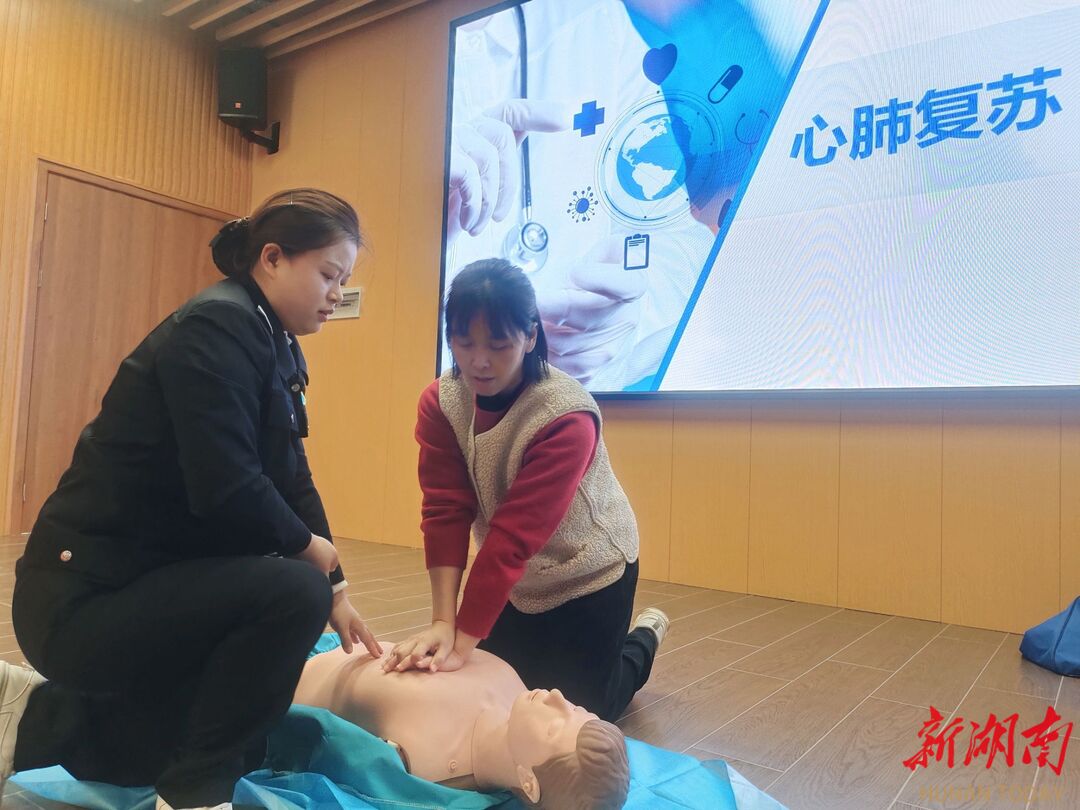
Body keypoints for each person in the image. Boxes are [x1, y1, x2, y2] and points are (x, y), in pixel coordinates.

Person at [1, 188, 383, 810]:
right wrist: (308, 555)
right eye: (328, 274)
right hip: (79, 601)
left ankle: (30, 714)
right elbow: (228, 485)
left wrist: (339, 586)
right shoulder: (217, 326)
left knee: (237, 738)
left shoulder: (272, 340)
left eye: (344, 279)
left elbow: (293, 478)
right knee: (290, 593)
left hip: (145, 584)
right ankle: (193, 795)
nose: (337, 293)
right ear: (272, 258)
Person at [443, 0, 804, 389]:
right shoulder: (391, 57)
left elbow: (679, 246)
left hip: (570, 414)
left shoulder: (594, 24)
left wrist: (623, 324)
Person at [383, 258, 670, 722]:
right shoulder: (441, 400)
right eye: (464, 342)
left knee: (580, 711)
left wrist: (462, 638)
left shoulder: (565, 415)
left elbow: (513, 538)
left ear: (531, 335)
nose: (479, 360)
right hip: (520, 581)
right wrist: (443, 623)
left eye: (498, 344)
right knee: (496, 692)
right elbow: (444, 509)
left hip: (589, 571)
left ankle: (643, 638)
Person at [294, 641, 630, 809]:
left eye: (555, 726)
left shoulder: (426, 758)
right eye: (574, 707)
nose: (556, 696)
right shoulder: (515, 692)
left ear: (529, 782)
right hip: (337, 638)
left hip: (289, 672)